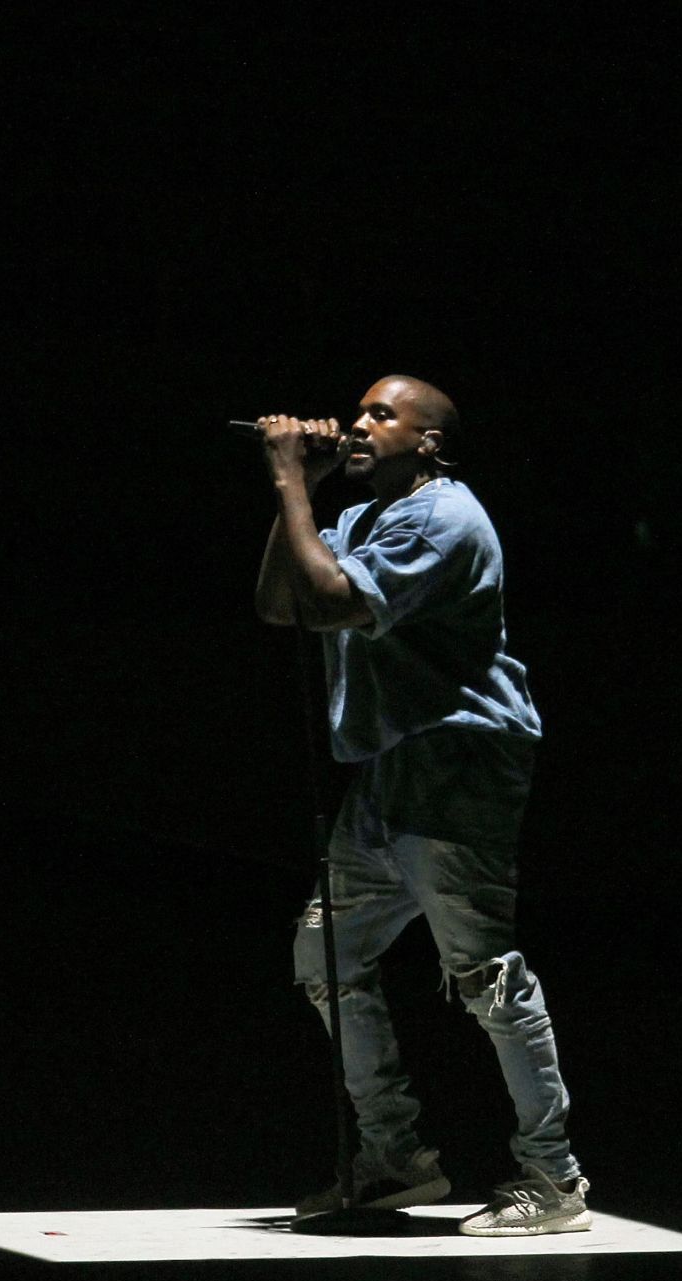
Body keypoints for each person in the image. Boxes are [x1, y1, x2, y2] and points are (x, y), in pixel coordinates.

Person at [253, 374, 590, 1236]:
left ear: (429, 440)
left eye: (381, 414)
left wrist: (293, 482)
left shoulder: (445, 517)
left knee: (483, 972)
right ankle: (394, 1157)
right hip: (394, 763)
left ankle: (553, 1180)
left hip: (460, 764)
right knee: (327, 953)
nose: (359, 422)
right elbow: (285, 600)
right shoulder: (368, 517)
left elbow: (333, 598)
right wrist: (307, 495)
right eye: (358, 409)